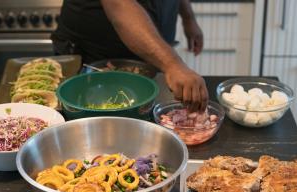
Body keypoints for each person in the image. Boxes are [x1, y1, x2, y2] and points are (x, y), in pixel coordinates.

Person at [52, 0, 208, 111]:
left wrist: (188, 17)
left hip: (149, 51)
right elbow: (119, 5)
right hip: (95, 54)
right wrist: (173, 64)